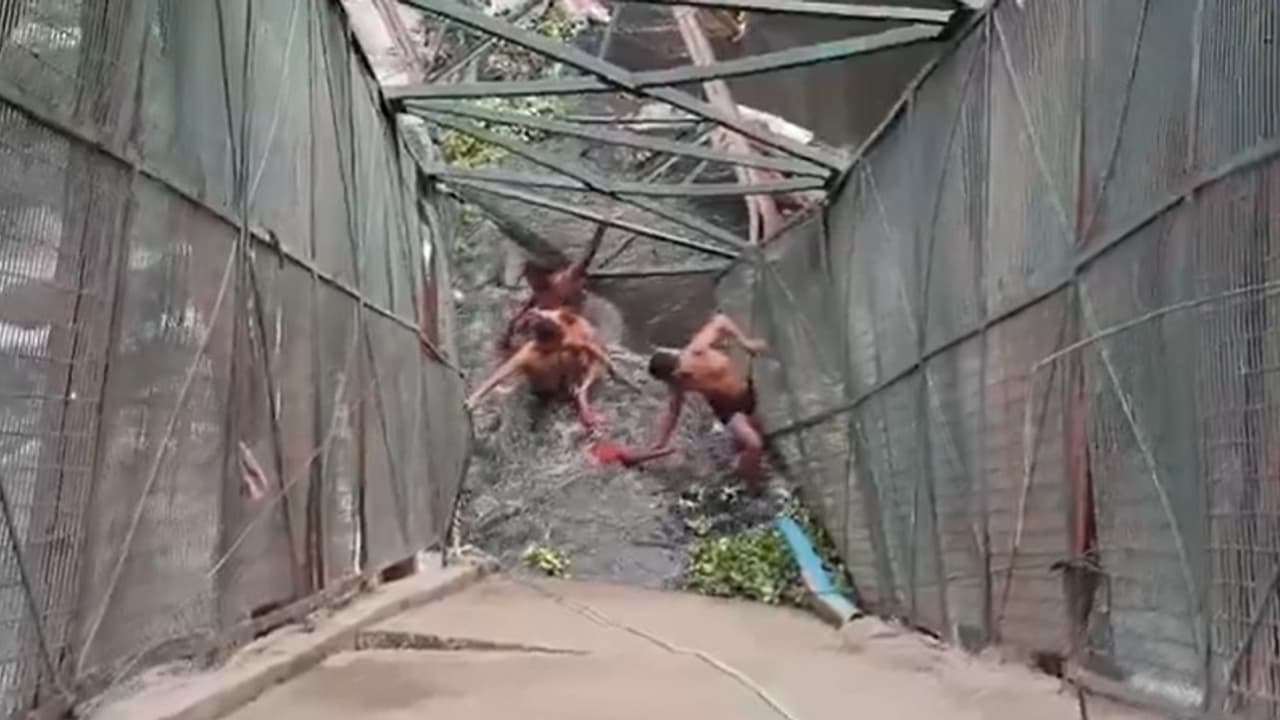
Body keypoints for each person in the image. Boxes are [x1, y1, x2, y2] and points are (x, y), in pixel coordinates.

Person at [623, 313, 768, 487]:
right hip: (728, 410)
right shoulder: (677, 384)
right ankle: (750, 481)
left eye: (680, 372)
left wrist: (745, 343)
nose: (682, 377)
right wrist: (661, 442)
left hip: (746, 392)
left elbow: (721, 321)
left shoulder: (697, 350)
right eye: (675, 378)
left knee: (754, 442)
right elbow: (673, 412)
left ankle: (743, 467)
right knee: (754, 444)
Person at [465, 311, 614, 429]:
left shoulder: (562, 341)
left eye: (561, 340)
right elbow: (497, 377)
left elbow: (588, 347)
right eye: (558, 342)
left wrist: (610, 366)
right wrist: (475, 398)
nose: (562, 344)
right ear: (543, 343)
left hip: (563, 386)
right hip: (540, 394)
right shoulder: (526, 356)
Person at [497, 222, 607, 356]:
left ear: (541, 275)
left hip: (570, 329)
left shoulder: (561, 282)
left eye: (531, 277)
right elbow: (519, 317)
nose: (530, 282)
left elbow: (584, 261)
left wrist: (599, 232)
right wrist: (508, 334)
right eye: (528, 278)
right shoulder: (535, 296)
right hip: (549, 334)